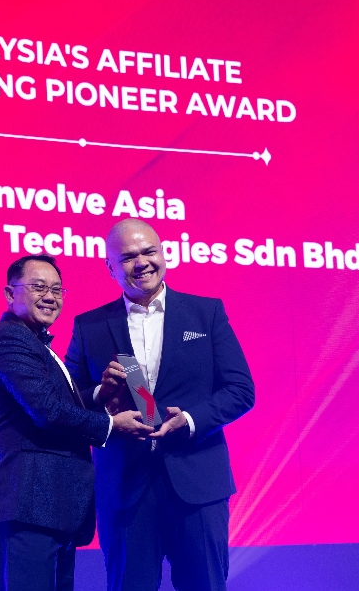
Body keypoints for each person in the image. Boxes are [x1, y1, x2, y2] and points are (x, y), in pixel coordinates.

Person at [65, 219, 255, 591]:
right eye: (128, 257)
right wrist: (101, 396)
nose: (141, 263)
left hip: (198, 483)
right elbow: (68, 402)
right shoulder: (89, 326)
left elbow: (240, 390)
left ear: (163, 253)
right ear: (110, 267)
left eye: (149, 251)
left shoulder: (206, 314)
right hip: (124, 488)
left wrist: (190, 418)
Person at [0, 254, 155, 591]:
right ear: (10, 294)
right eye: (39, 287)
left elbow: (53, 404)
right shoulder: (10, 340)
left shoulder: (34, 342)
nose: (50, 296)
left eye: (57, 290)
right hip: (24, 505)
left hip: (50, 507)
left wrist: (101, 396)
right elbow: (47, 411)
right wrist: (113, 426)